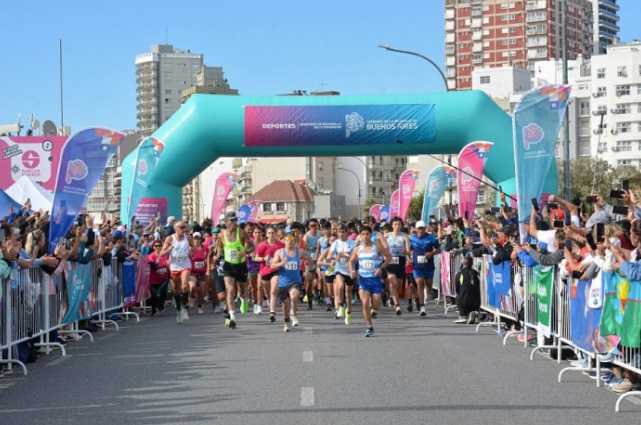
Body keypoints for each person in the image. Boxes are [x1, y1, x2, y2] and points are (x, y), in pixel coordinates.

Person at [349, 226, 391, 337]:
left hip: (376, 280)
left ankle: (375, 308)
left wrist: (381, 268)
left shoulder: (377, 247)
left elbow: (389, 257)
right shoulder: (358, 249)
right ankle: (369, 327)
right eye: (363, 234)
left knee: (376, 306)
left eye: (367, 234)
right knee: (365, 304)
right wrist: (352, 271)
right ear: (360, 236)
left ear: (371, 235)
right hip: (364, 280)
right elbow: (351, 261)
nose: (365, 236)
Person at [271, 230, 314, 332]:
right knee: (285, 305)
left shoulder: (299, 252)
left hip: (295, 280)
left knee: (294, 296)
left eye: (291, 240)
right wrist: (281, 263)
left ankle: (293, 314)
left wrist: (310, 270)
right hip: (283, 283)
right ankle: (286, 321)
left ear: (294, 241)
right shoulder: (280, 252)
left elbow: (309, 258)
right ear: (284, 241)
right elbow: (272, 265)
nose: (289, 242)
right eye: (287, 240)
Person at [215, 212, 252, 329]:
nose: (234, 223)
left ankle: (244, 299)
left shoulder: (241, 233)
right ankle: (232, 317)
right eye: (232, 220)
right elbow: (220, 247)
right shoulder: (221, 235)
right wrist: (217, 255)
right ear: (227, 222)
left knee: (242, 291)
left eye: (236, 220)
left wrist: (245, 252)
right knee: (230, 289)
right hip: (229, 266)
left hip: (241, 265)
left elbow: (252, 247)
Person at [159, 220, 193, 324]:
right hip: (174, 267)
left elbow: (192, 247)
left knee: (184, 286)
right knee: (176, 290)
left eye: (185, 227)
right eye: (182, 227)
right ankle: (178, 310)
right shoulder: (170, 238)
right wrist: (168, 250)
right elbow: (161, 253)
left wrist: (191, 251)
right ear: (176, 229)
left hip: (185, 265)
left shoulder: (188, 237)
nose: (184, 229)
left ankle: (184, 308)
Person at [409, 220, 441, 316]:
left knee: (428, 285)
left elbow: (439, 249)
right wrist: (407, 258)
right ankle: (422, 307)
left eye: (422, 228)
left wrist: (431, 253)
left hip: (428, 266)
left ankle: (426, 293)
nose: (420, 230)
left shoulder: (431, 238)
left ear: (425, 228)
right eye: (419, 228)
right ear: (416, 229)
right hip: (417, 266)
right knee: (420, 283)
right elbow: (408, 250)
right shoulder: (412, 239)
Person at [255, 226, 285, 323]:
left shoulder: (281, 245)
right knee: (268, 294)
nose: (271, 235)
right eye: (269, 233)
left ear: (276, 234)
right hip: (265, 271)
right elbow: (256, 258)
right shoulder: (262, 245)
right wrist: (264, 259)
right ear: (266, 235)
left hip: (276, 270)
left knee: (273, 291)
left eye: (273, 233)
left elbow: (286, 254)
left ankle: (272, 313)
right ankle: (269, 301)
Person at [328, 223, 357, 324]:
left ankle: (348, 312)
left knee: (348, 293)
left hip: (349, 270)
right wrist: (335, 257)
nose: (340, 234)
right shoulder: (336, 243)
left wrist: (347, 256)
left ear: (346, 232)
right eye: (339, 232)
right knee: (340, 286)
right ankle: (340, 306)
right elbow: (329, 256)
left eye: (342, 232)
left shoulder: (352, 243)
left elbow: (356, 258)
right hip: (339, 269)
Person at [385, 217, 411, 316]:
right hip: (390, 261)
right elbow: (380, 247)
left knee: (398, 286)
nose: (397, 226)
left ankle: (392, 296)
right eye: (395, 224)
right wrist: (384, 254)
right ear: (392, 226)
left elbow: (408, 251)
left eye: (399, 224)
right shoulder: (387, 236)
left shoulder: (404, 236)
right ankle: (397, 306)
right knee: (393, 283)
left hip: (400, 261)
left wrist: (404, 252)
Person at [453, 255, 481, 324]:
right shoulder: (475, 273)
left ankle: (463, 316)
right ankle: (473, 312)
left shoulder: (460, 274)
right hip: (476, 302)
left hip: (464, 302)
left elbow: (457, 288)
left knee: (460, 297)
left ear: (463, 263)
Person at [147, 239, 169, 316]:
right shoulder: (151, 256)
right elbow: (152, 266)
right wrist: (156, 262)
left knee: (163, 289)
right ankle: (153, 310)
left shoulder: (165, 255)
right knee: (154, 295)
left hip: (164, 277)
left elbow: (169, 264)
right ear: (153, 247)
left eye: (159, 246)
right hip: (154, 279)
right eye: (156, 246)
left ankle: (161, 304)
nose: (158, 247)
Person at [189, 232, 208, 315]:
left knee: (202, 291)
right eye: (195, 239)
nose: (197, 240)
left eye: (198, 239)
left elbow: (208, 258)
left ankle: (200, 306)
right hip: (193, 272)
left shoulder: (205, 248)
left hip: (202, 272)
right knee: (192, 286)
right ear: (193, 240)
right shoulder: (191, 249)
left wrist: (208, 269)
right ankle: (192, 296)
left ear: (201, 239)